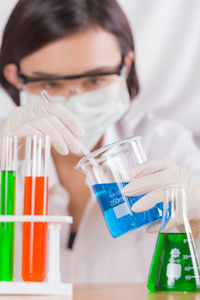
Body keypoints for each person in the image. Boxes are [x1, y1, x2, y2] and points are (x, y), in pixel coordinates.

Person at [0, 0, 200, 283]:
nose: (75, 99)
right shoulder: (5, 151)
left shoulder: (165, 145)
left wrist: (196, 210)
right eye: (50, 84)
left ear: (125, 65)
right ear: (15, 77)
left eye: (95, 80)